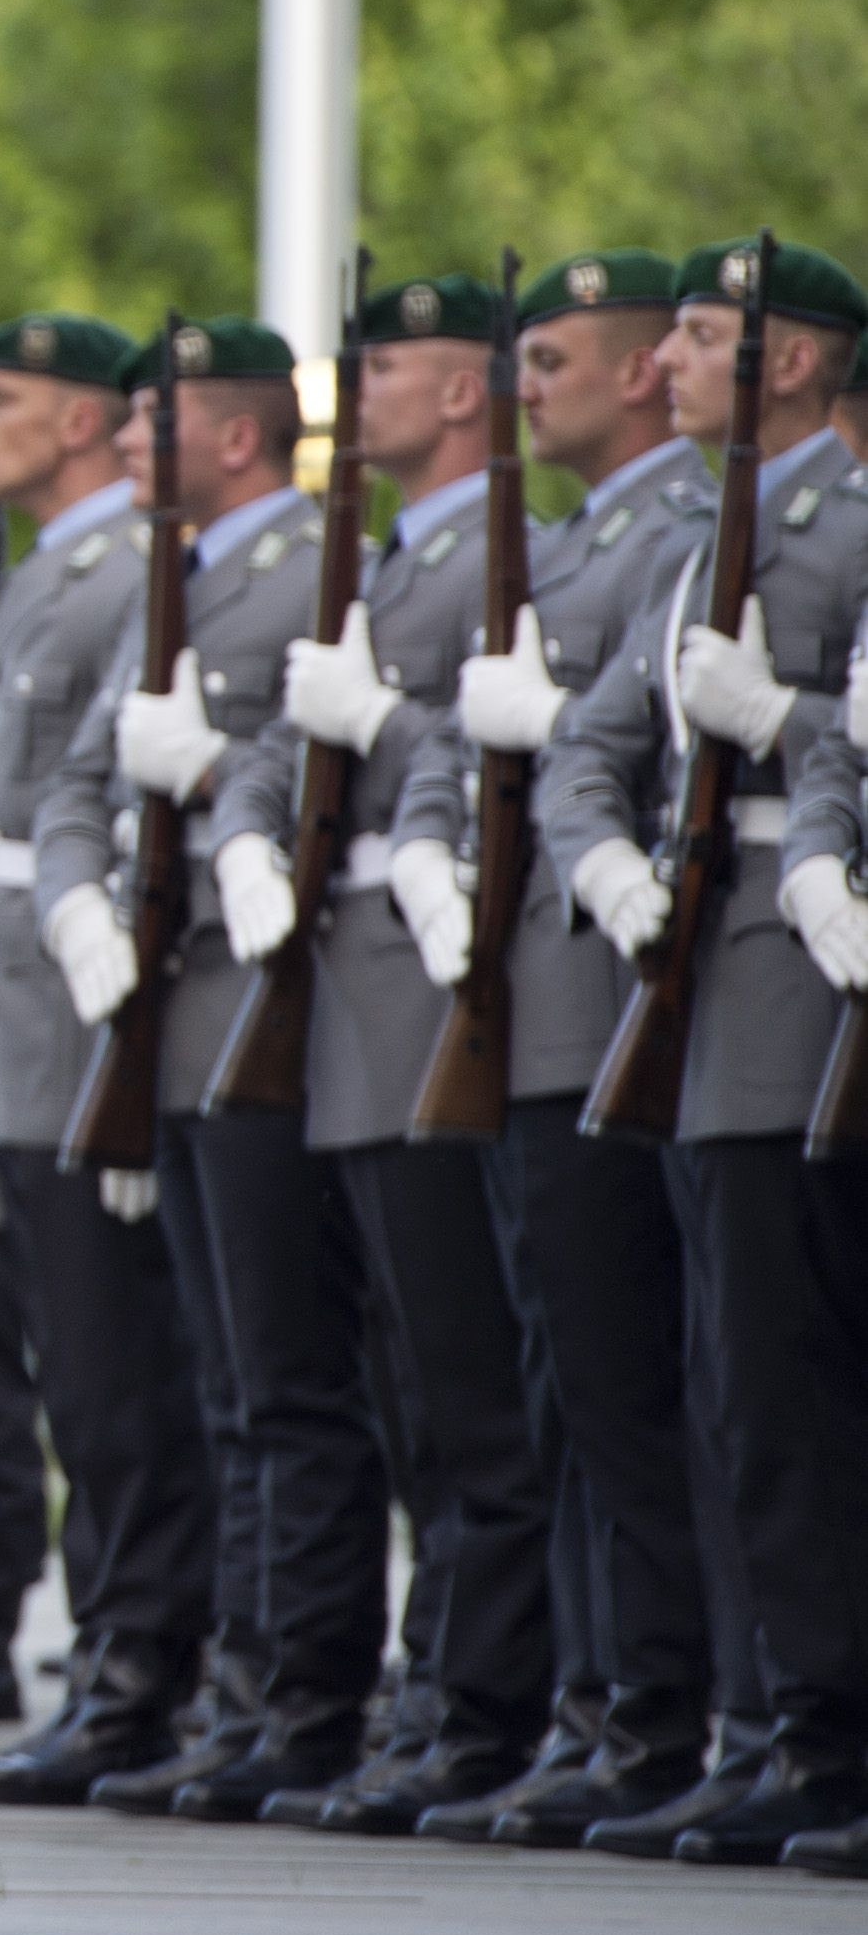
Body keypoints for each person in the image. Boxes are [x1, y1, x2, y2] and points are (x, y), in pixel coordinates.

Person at [206, 272, 552, 1830]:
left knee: (470, 1380)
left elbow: (502, 752)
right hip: (351, 999)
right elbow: (287, 745)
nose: (361, 391)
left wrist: (386, 725)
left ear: (462, 391)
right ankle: (429, 1690)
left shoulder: (509, 549)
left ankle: (487, 1697)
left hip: (438, 990)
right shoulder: (396, 553)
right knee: (396, 1378)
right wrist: (236, 828)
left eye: (388, 363)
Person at [390, 249, 720, 1844]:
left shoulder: (675, 531)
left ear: (649, 368)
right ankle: (602, 1698)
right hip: (529, 991)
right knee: (561, 1379)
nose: (530, 387)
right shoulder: (588, 530)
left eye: (559, 359)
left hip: (613, 987)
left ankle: (658, 1702)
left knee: (630, 1375)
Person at [551, 237, 868, 1866]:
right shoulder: (692, 547)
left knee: (787, 1374)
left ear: (792, 361)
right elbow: (586, 745)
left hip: (795, 982)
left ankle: (820, 1725)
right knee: (724, 1381)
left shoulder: (846, 522)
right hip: (688, 981)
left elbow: (840, 742)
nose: (658, 361)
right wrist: (598, 864)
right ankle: (762, 1717)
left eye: (694, 334)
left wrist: (782, 721)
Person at [0, 312, 217, 1803]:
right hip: (16, 1019)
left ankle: (143, 1666)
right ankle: (114, 1661)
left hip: (85, 1015)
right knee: (75, 1373)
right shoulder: (54, 565)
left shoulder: (131, 569)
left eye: (0, 396)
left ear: (87, 423)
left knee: (114, 1369)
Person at [31, 320, 349, 1819]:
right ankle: (241, 1679)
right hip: (168, 1006)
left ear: (232, 438)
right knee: (223, 1378)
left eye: (149, 422)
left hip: (268, 995)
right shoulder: (182, 574)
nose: (122, 447)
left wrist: (217, 777)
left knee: (289, 1377)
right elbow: (74, 783)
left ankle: (301, 1689)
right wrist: (75, 905)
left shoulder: (307, 563)